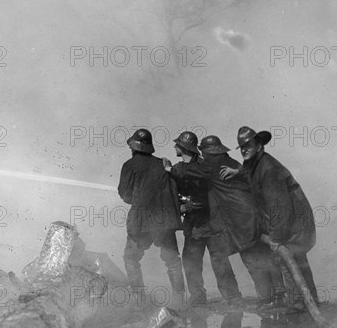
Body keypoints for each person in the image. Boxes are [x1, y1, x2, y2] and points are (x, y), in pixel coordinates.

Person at [163, 135, 284, 307]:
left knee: (233, 260)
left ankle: (249, 299)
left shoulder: (205, 166)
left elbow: (190, 174)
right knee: (253, 258)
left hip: (224, 221)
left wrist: (169, 170)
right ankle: (269, 297)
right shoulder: (226, 163)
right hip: (226, 220)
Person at [221, 126, 318, 312]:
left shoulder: (269, 169)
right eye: (242, 147)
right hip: (296, 220)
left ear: (259, 146)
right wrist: (237, 173)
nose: (244, 149)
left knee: (286, 257)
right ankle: (310, 299)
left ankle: (298, 305)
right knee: (298, 259)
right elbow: (250, 173)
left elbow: (279, 208)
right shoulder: (257, 164)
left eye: (248, 145)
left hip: (294, 223)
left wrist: (276, 237)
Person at [170, 131, 242, 307]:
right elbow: (173, 194)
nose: (174, 147)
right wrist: (182, 205)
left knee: (220, 262)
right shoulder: (176, 170)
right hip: (193, 225)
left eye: (177, 144)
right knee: (191, 263)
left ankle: (233, 299)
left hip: (212, 223)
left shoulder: (204, 167)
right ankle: (198, 299)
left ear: (184, 148)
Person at [118, 128, 186, 307]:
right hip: (164, 221)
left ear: (133, 147)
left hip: (141, 222)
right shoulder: (163, 163)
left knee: (131, 259)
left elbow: (125, 195)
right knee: (172, 261)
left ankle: (139, 301)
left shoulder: (129, 165)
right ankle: (180, 300)